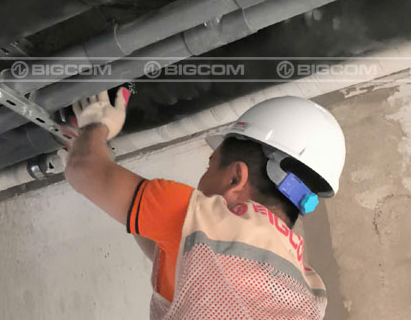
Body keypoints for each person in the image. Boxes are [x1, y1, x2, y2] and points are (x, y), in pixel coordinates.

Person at [65, 89, 346, 320]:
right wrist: (99, 157)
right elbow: (173, 249)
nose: (202, 179)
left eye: (209, 166)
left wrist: (96, 126)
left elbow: (83, 169)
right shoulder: (308, 290)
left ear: (235, 178)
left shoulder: (205, 220)